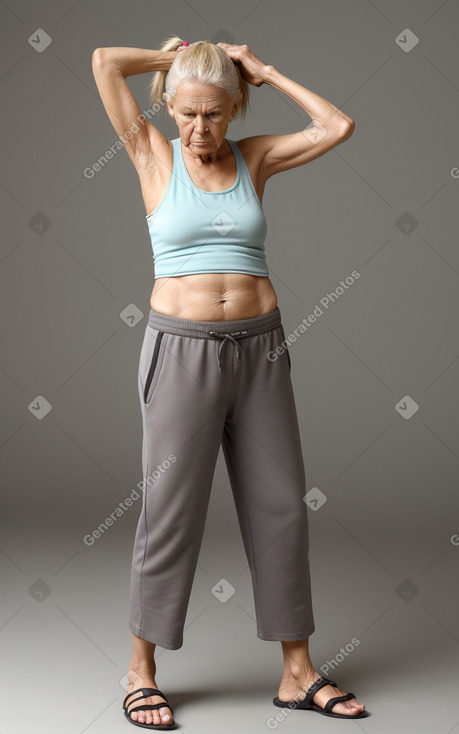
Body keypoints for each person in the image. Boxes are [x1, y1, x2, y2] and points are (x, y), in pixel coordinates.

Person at [92, 37, 366, 730]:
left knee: (281, 507)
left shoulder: (255, 158)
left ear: (235, 107)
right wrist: (171, 59)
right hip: (181, 353)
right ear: (170, 108)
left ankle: (297, 673)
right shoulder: (151, 153)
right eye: (185, 113)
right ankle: (140, 669)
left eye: (213, 113)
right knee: (170, 512)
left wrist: (266, 69)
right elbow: (103, 62)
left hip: (261, 351)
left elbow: (336, 127)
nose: (199, 129)